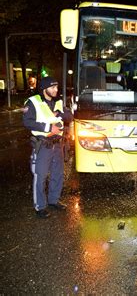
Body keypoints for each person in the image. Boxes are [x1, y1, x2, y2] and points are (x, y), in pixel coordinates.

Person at [22, 77, 73, 218]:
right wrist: (48, 127)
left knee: (58, 174)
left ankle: (53, 200)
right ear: (45, 89)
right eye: (53, 87)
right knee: (41, 176)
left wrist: (61, 115)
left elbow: (70, 116)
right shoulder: (33, 102)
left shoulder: (58, 102)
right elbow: (27, 122)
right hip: (43, 144)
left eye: (56, 87)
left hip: (58, 145)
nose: (56, 90)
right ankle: (40, 207)